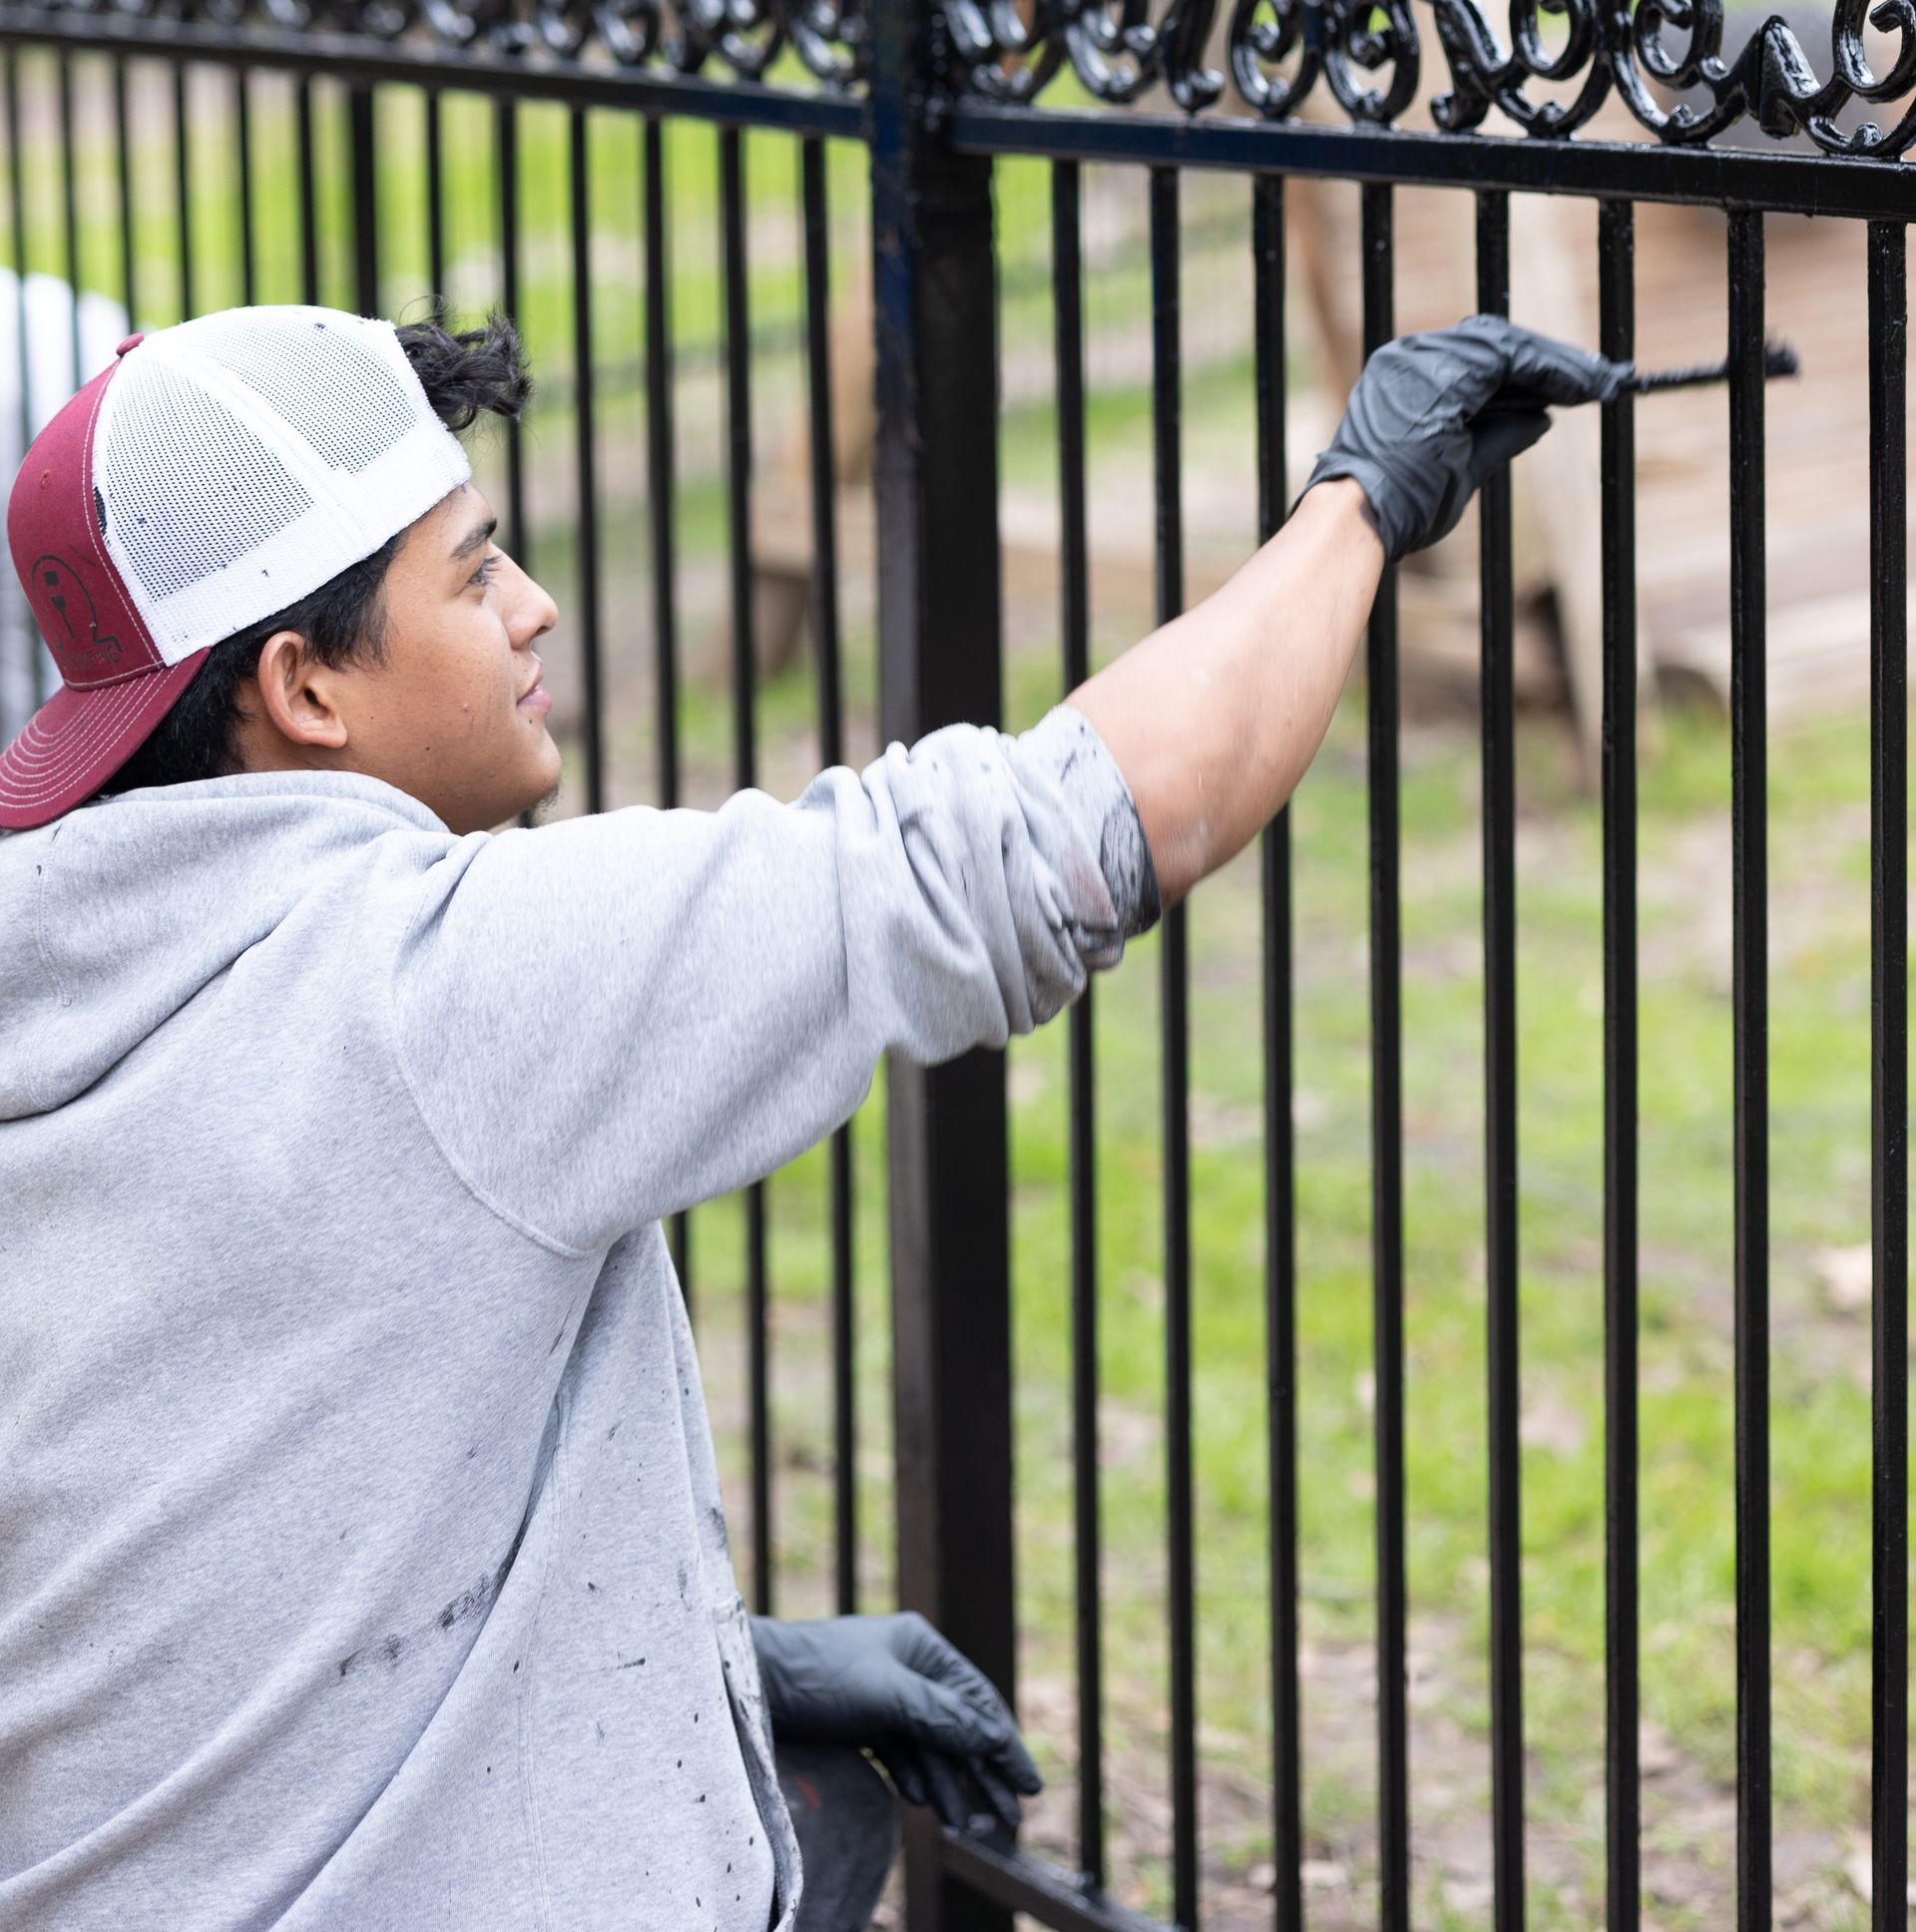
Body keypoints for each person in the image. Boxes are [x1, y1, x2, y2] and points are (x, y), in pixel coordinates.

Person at [0, 298, 1623, 1931]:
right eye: (475, 573)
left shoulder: (61, 992)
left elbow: (193, 1565)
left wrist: (726, 1659)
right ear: (306, 689)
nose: (534, 607)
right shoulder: (431, 995)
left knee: (807, 1801)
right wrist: (1361, 500)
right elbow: (1059, 838)